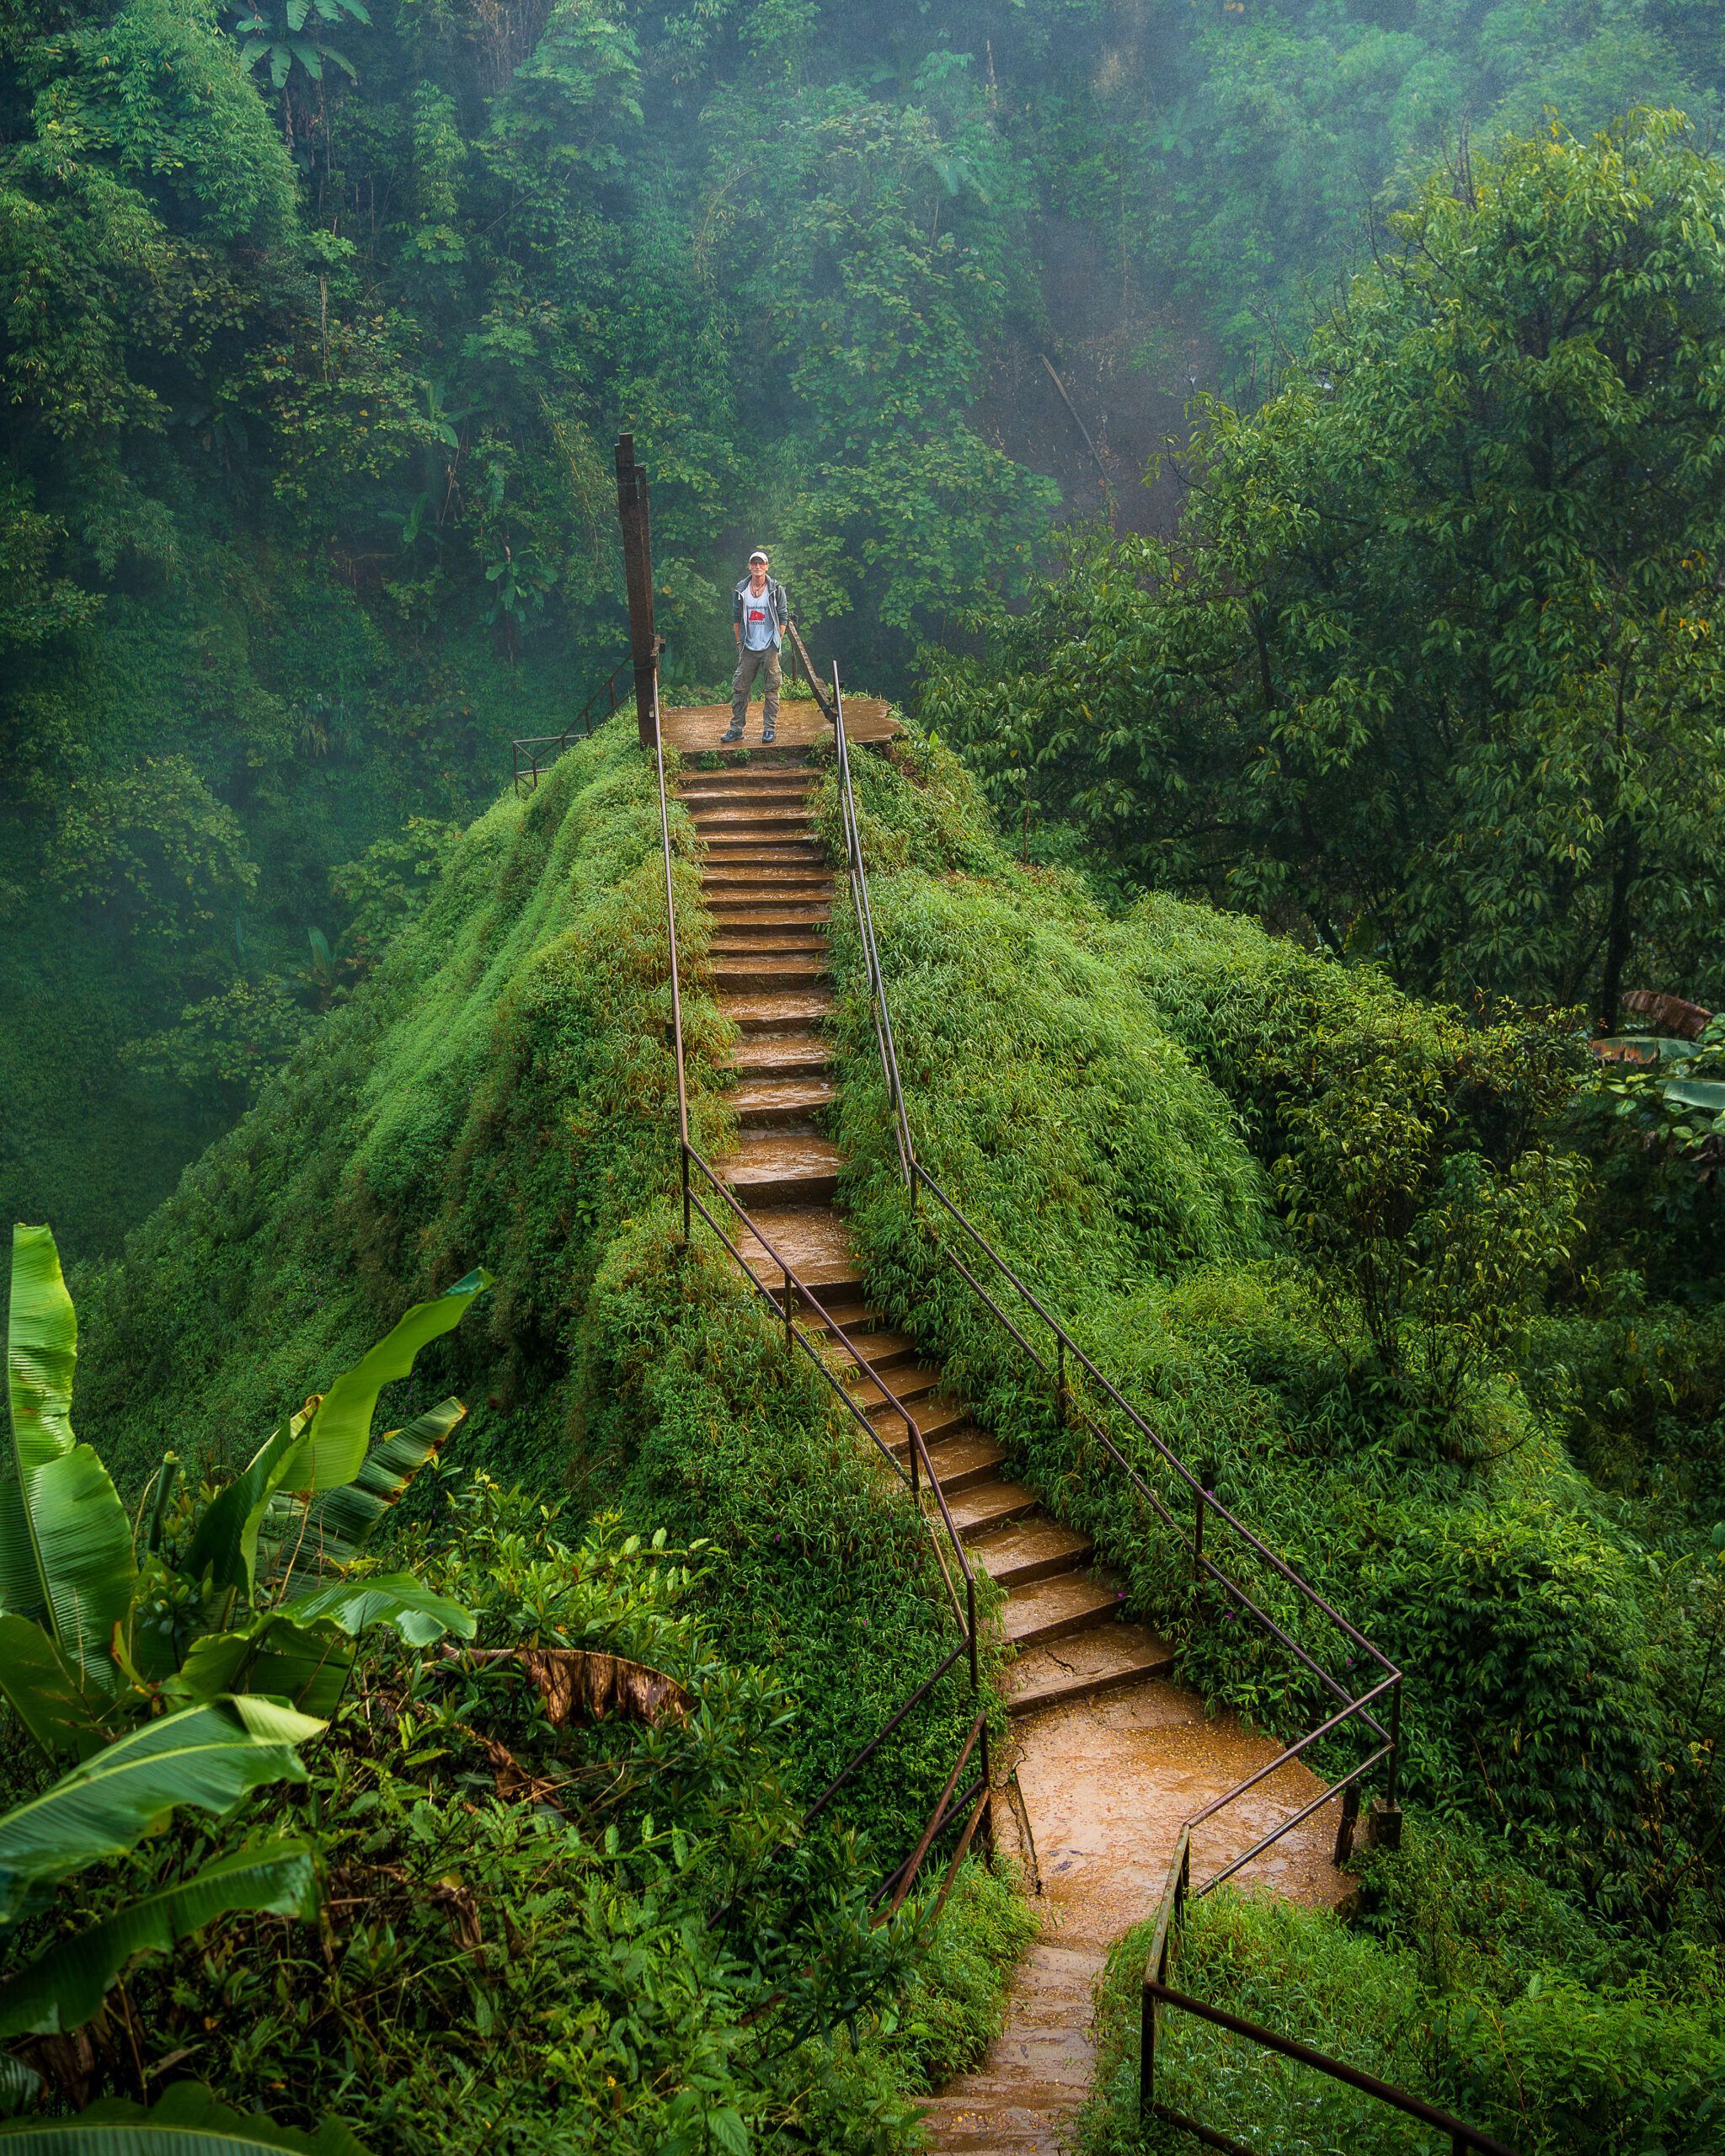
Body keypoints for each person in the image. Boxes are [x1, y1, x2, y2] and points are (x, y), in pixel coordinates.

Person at [723, 550, 788, 744]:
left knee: (771, 689)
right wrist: (739, 641)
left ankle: (769, 729)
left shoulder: (776, 589)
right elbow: (736, 617)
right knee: (740, 687)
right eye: (754, 563)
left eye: (761, 563)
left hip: (769, 647)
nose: (757, 566)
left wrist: (777, 640)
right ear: (749, 566)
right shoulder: (741, 589)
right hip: (748, 647)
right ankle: (736, 729)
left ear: (767, 566)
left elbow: (783, 616)